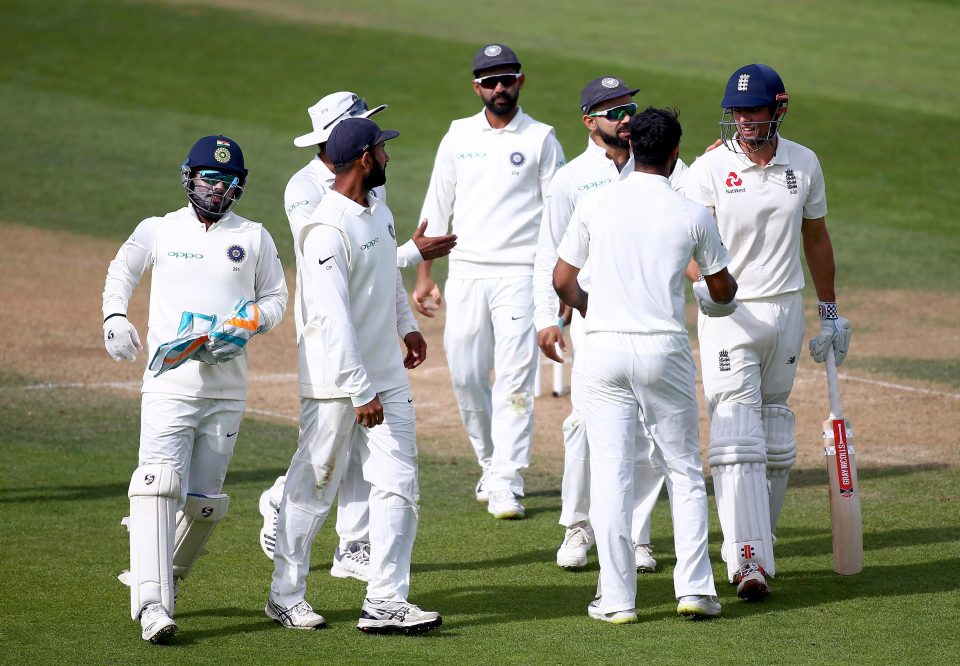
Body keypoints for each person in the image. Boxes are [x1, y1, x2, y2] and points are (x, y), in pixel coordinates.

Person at [257, 92, 456, 583]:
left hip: (374, 338)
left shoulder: (372, 191)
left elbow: (379, 261)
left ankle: (354, 548)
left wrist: (405, 324)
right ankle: (283, 505)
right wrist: (416, 252)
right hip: (329, 339)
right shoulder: (304, 190)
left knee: (377, 458)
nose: (380, 141)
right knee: (326, 460)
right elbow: (331, 268)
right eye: (366, 127)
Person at [102, 135, 288, 643]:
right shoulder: (159, 229)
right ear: (190, 178)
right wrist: (115, 317)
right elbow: (122, 270)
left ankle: (163, 581)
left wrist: (250, 322)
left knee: (204, 504)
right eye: (209, 178)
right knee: (157, 485)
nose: (218, 189)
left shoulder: (253, 237)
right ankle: (152, 604)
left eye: (228, 182)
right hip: (169, 384)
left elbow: (275, 297)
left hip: (227, 389)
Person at [553, 107, 736, 622]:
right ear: (676, 153)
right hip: (664, 349)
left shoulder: (594, 203)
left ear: (630, 147)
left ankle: (616, 601)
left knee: (611, 475)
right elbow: (721, 288)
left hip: (604, 350)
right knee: (681, 469)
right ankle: (695, 591)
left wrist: (592, 307)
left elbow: (563, 281)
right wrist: (717, 294)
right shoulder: (692, 212)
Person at [683, 64, 851, 600]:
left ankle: (762, 541)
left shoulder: (803, 164)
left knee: (776, 439)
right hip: (729, 314)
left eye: (753, 110)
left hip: (783, 313)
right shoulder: (710, 167)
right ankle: (745, 560)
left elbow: (817, 239)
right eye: (736, 112)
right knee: (736, 437)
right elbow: (685, 238)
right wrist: (707, 286)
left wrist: (829, 311)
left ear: (779, 108)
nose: (744, 121)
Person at [534, 76, 689, 570]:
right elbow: (549, 255)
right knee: (584, 425)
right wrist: (552, 316)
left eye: (629, 107)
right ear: (588, 121)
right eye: (613, 110)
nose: (625, 117)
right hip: (595, 320)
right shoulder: (571, 179)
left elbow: (694, 209)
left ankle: (636, 535)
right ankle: (579, 526)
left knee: (646, 431)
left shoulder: (667, 166)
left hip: (653, 317)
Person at [413, 43, 565, 519]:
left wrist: (556, 284)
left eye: (508, 79)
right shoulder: (458, 135)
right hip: (468, 272)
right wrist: (424, 276)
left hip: (521, 274)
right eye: (490, 81)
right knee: (464, 375)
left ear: (521, 81)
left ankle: (507, 479)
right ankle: (489, 463)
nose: (500, 88)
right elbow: (438, 206)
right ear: (477, 86)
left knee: (517, 381)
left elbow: (559, 218)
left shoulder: (542, 138)